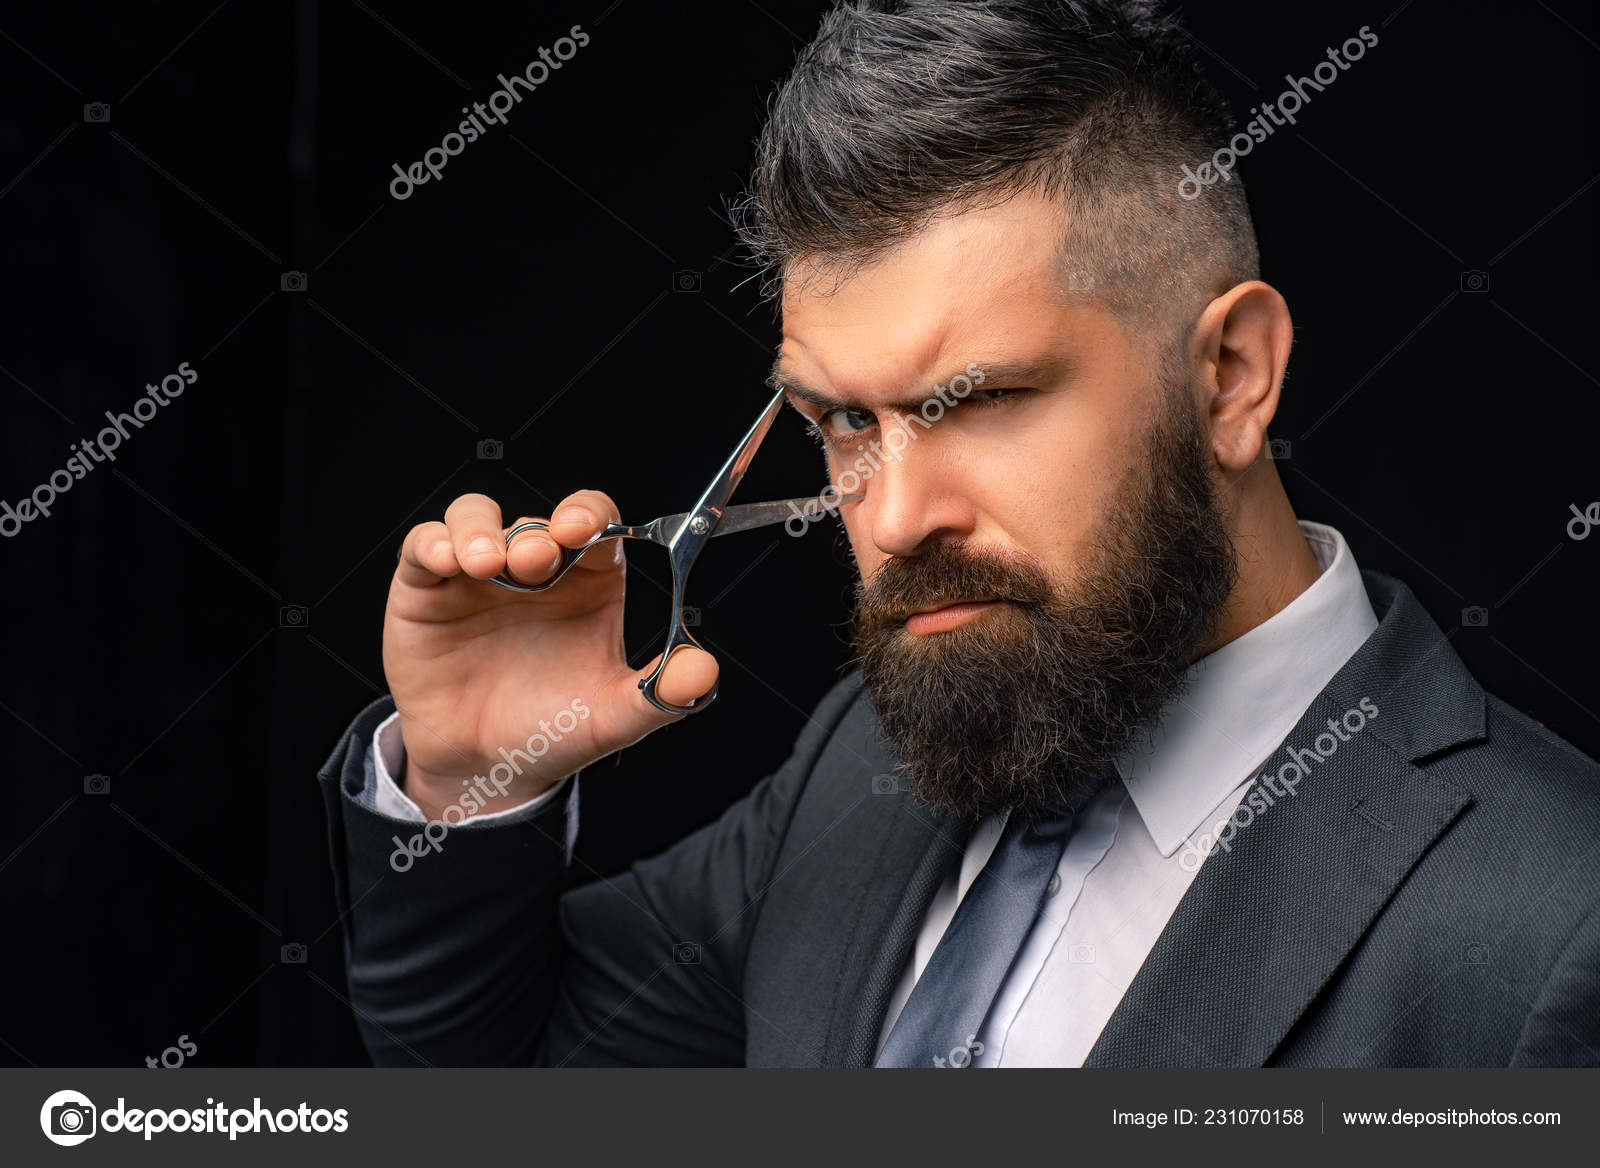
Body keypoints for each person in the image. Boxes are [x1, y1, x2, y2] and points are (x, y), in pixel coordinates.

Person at [318, 0, 1600, 1066]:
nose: (890, 513)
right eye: (839, 422)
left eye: (981, 400)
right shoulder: (853, 772)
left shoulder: (1551, 923)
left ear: (1230, 378)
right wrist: (478, 778)